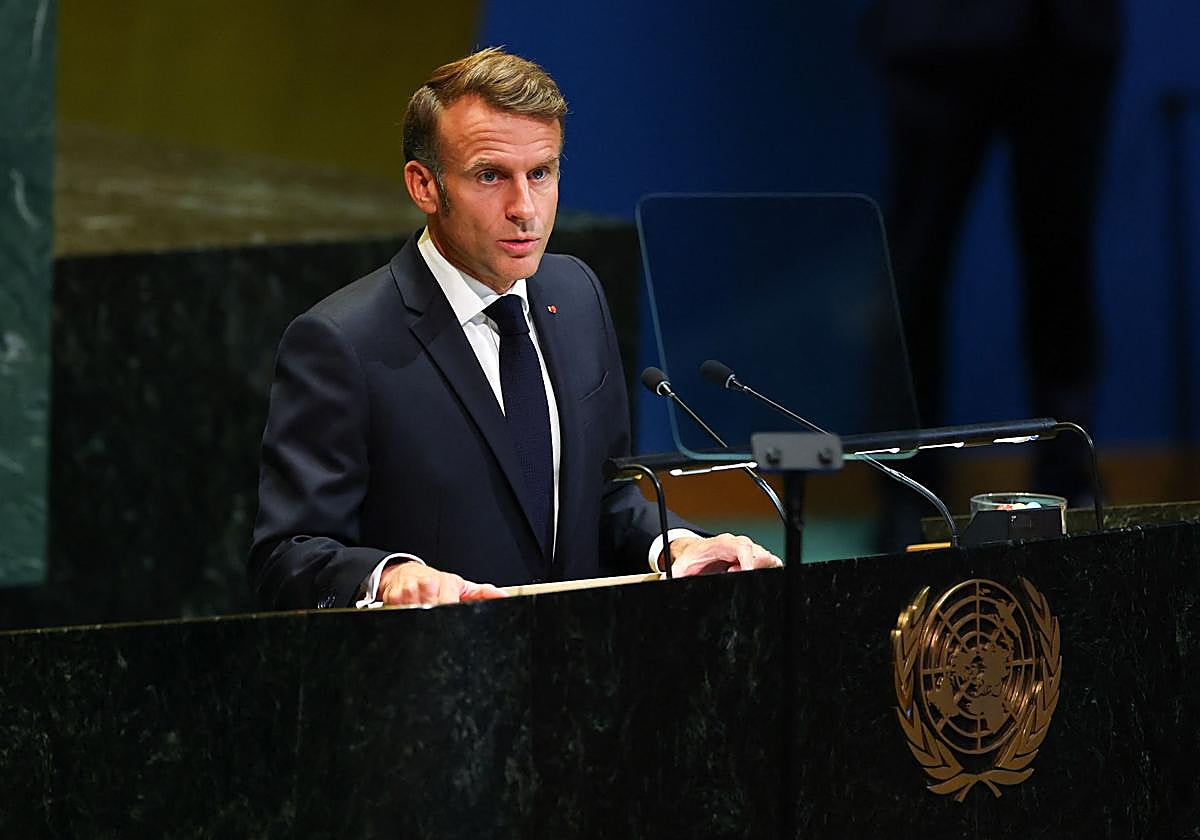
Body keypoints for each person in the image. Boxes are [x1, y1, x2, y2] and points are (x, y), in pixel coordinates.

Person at [249, 48, 780, 609]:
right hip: (435, 677)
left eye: (541, 173)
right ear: (424, 186)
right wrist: (386, 576)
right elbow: (287, 553)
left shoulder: (576, 294)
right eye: (490, 176)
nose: (524, 207)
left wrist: (678, 546)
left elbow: (603, 497)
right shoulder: (341, 342)